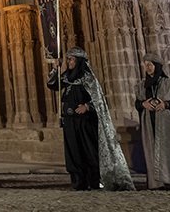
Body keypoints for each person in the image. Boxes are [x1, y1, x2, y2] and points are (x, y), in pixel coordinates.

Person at [47, 47, 134, 191]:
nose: (69, 62)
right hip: (70, 121)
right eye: (68, 59)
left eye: (71, 59)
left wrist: (87, 106)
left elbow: (99, 99)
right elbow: (52, 85)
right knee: (73, 152)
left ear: (79, 61)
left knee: (89, 151)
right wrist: (57, 69)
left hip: (85, 121)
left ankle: (94, 181)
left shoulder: (88, 77)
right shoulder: (67, 77)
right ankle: (78, 181)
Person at [134, 54, 170, 189]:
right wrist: (143, 104)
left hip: (167, 124)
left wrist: (166, 104)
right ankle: (157, 183)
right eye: (145, 64)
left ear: (157, 66)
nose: (147, 67)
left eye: (150, 64)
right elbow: (137, 103)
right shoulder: (141, 86)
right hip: (150, 123)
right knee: (153, 151)